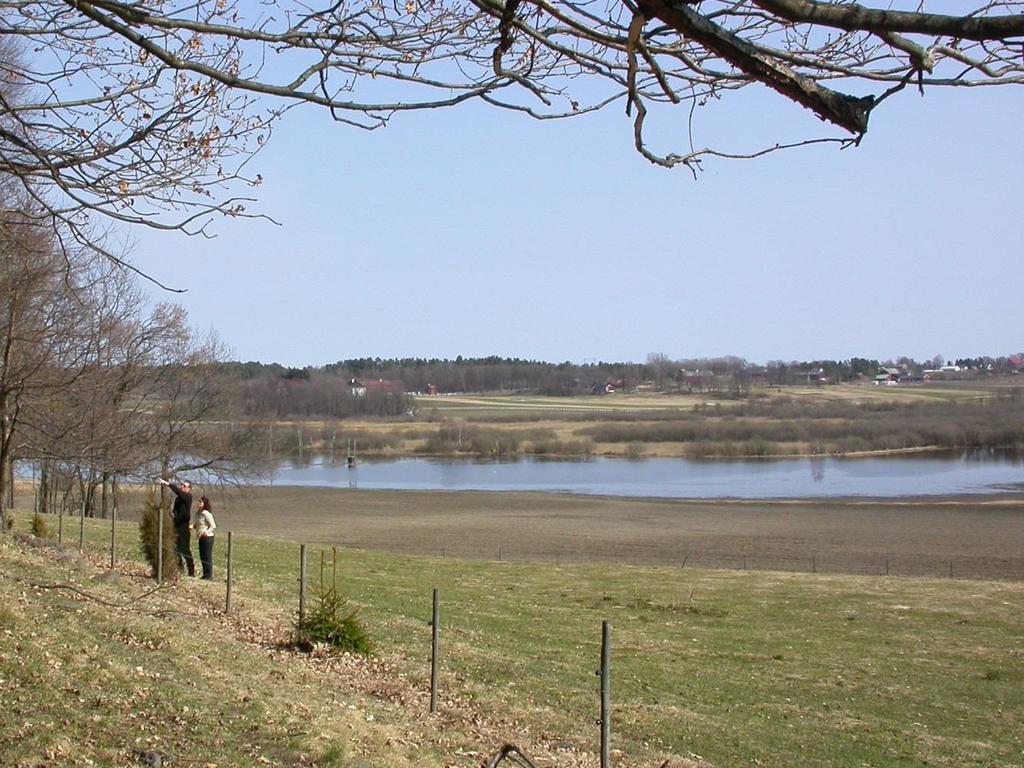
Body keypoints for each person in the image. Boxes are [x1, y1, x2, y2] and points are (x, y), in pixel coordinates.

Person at [158, 477, 195, 577]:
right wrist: (173, 514)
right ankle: (179, 569)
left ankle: (191, 572)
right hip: (176, 525)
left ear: (189, 489)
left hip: (184, 528)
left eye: (184, 486)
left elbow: (178, 492)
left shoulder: (188, 497)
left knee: (185, 550)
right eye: (182, 485)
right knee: (175, 548)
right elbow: (176, 509)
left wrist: (167, 484)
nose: (182, 487)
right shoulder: (179, 498)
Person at [193, 496, 217, 581]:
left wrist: (206, 532)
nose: (198, 503)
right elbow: (198, 524)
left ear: (204, 504)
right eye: (198, 502)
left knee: (207, 556)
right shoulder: (197, 513)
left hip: (208, 537)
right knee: (202, 556)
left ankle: (209, 575)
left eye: (200, 502)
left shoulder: (206, 513)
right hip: (200, 536)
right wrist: (193, 526)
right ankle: (205, 574)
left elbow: (213, 525)